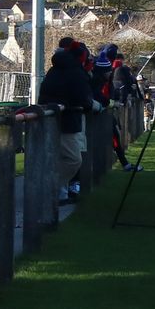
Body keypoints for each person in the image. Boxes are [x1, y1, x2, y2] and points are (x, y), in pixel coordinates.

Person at [38, 41, 95, 201]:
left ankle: (59, 192)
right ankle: (52, 185)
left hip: (51, 118)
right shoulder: (76, 72)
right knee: (73, 159)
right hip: (68, 120)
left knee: (58, 157)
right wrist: (89, 105)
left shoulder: (54, 70)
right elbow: (83, 99)